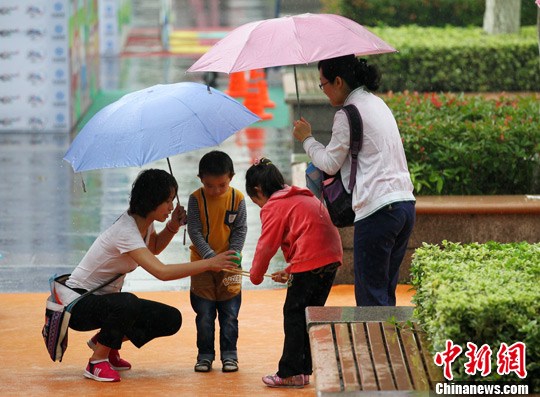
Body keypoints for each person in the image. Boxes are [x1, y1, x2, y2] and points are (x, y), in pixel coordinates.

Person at [64, 169, 237, 383]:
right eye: (167, 201)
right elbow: (161, 272)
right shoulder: (126, 231)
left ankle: (106, 343)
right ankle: (96, 362)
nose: (172, 206)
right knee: (128, 303)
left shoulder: (143, 222)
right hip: (78, 304)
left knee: (170, 318)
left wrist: (172, 226)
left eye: (172, 200)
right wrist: (209, 263)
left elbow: (152, 246)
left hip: (103, 303)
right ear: (151, 200)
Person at [292, 54, 416, 307]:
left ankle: (376, 346)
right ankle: (386, 344)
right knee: (384, 293)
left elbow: (329, 163)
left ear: (338, 81)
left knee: (370, 299)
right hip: (404, 205)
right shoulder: (377, 103)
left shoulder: (347, 114)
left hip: (378, 210)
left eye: (322, 84)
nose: (323, 91)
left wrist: (307, 139)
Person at [245, 157, 342, 388]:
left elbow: (266, 245)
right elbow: (307, 236)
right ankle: (303, 371)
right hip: (330, 258)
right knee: (310, 315)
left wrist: (255, 275)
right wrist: (291, 270)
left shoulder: (274, 205)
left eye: (254, 199)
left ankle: (289, 371)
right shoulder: (297, 196)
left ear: (258, 190)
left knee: (294, 314)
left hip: (311, 259)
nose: (259, 205)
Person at [187, 151, 247, 373]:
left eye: (221, 185)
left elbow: (240, 229)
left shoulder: (238, 199)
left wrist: (233, 254)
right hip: (201, 265)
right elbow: (194, 230)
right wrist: (210, 257)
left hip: (230, 265)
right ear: (200, 178)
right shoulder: (195, 199)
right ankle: (205, 355)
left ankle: (230, 355)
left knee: (230, 313)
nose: (215, 191)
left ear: (231, 177)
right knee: (204, 314)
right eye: (210, 185)